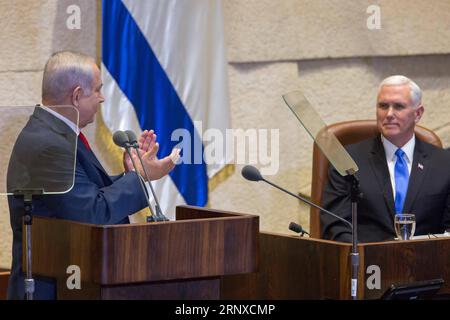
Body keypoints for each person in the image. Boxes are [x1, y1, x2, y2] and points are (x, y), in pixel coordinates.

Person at [7, 51, 180, 299]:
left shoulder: (54, 134)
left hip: (73, 281)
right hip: (54, 288)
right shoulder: (49, 145)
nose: (102, 98)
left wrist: (133, 174)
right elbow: (93, 212)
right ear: (77, 96)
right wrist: (139, 178)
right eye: (97, 90)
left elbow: (85, 195)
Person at [321, 75, 450, 243]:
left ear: (417, 114)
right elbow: (335, 225)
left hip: (427, 265)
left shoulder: (444, 163)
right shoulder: (348, 160)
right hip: (365, 264)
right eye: (383, 106)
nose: (389, 114)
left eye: (398, 106)